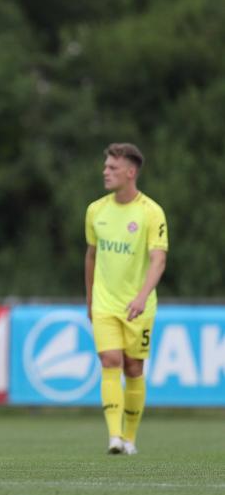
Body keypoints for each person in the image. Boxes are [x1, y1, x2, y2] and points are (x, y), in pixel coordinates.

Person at [85, 143, 167, 455]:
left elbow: (158, 259)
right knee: (110, 361)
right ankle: (114, 437)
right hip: (104, 303)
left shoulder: (151, 212)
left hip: (138, 305)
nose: (105, 172)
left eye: (113, 168)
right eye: (106, 166)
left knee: (133, 368)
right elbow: (91, 256)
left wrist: (142, 296)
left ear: (130, 172)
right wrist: (90, 299)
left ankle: (130, 438)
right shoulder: (95, 210)